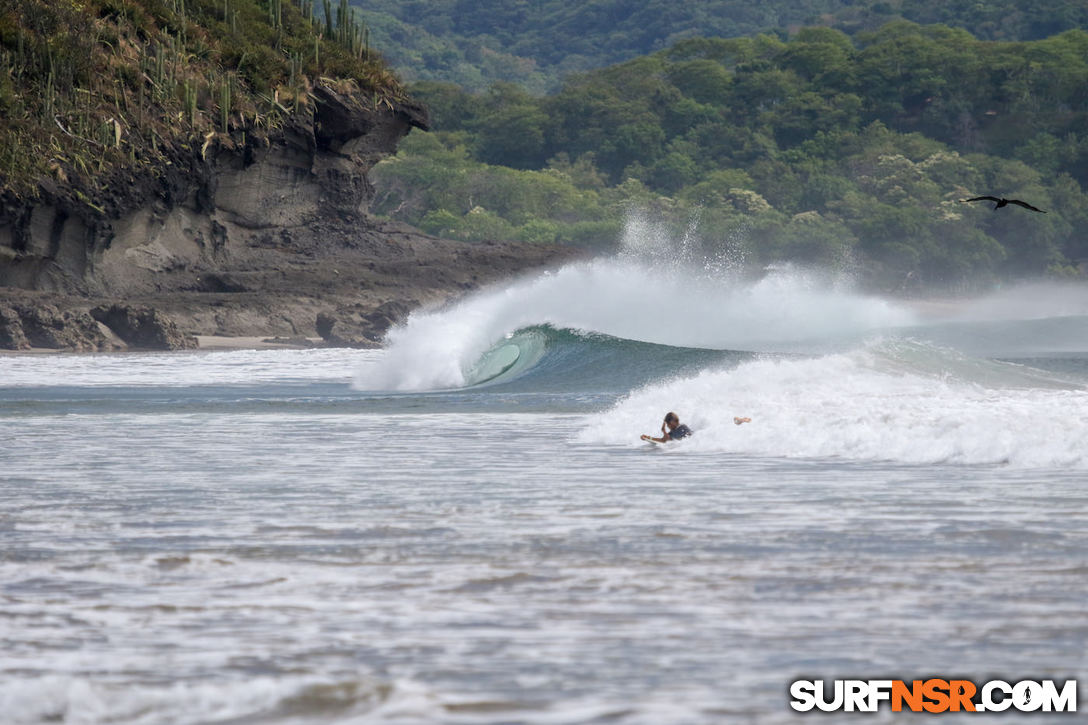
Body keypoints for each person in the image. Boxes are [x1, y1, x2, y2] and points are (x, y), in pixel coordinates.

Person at [640, 411, 750, 443]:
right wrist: (648, 438)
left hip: (703, 438)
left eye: (668, 424)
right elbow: (664, 440)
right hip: (701, 437)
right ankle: (737, 421)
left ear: (673, 422)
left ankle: (739, 420)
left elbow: (665, 440)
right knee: (724, 428)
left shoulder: (680, 428)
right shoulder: (674, 431)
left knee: (724, 429)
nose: (668, 427)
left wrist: (662, 432)